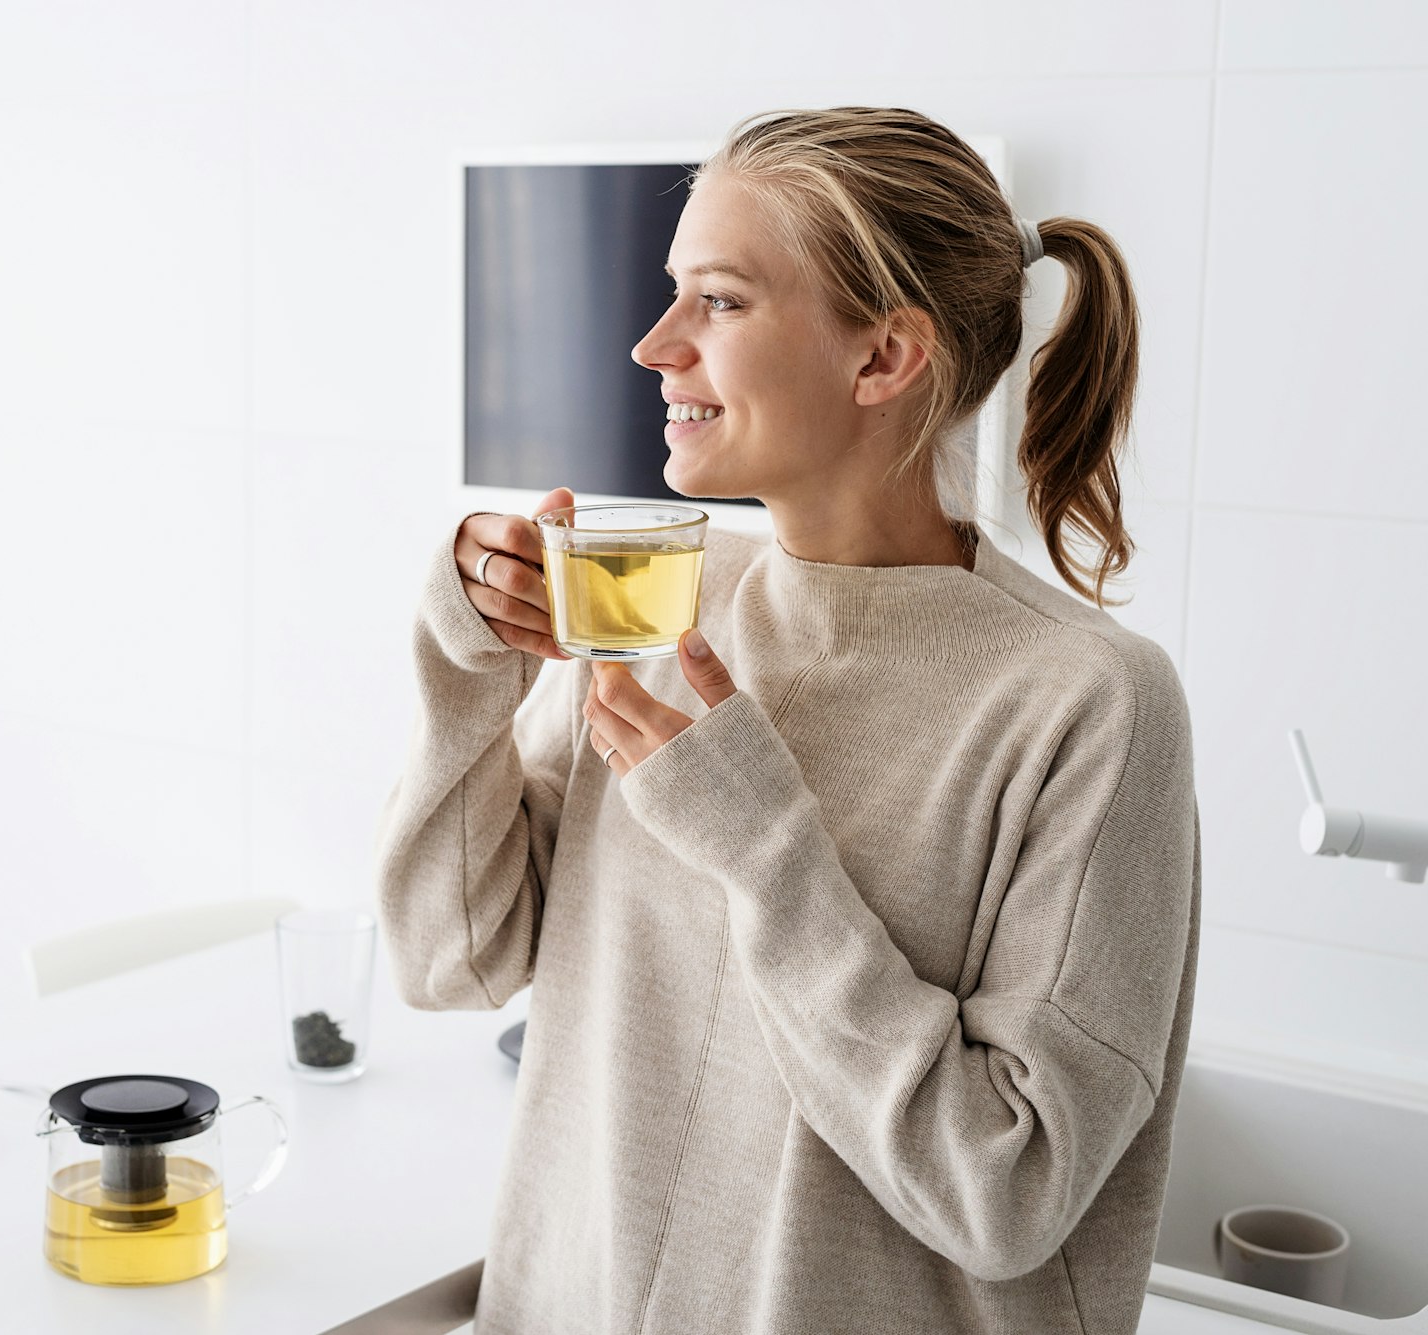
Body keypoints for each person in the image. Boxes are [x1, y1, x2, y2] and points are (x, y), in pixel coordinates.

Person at [375, 107, 1199, 1335]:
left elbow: (1004, 1193)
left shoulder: (1084, 701)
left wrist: (760, 844)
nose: (652, 347)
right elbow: (452, 962)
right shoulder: (665, 596)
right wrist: (463, 667)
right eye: (671, 296)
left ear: (880, 359)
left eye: (718, 302)